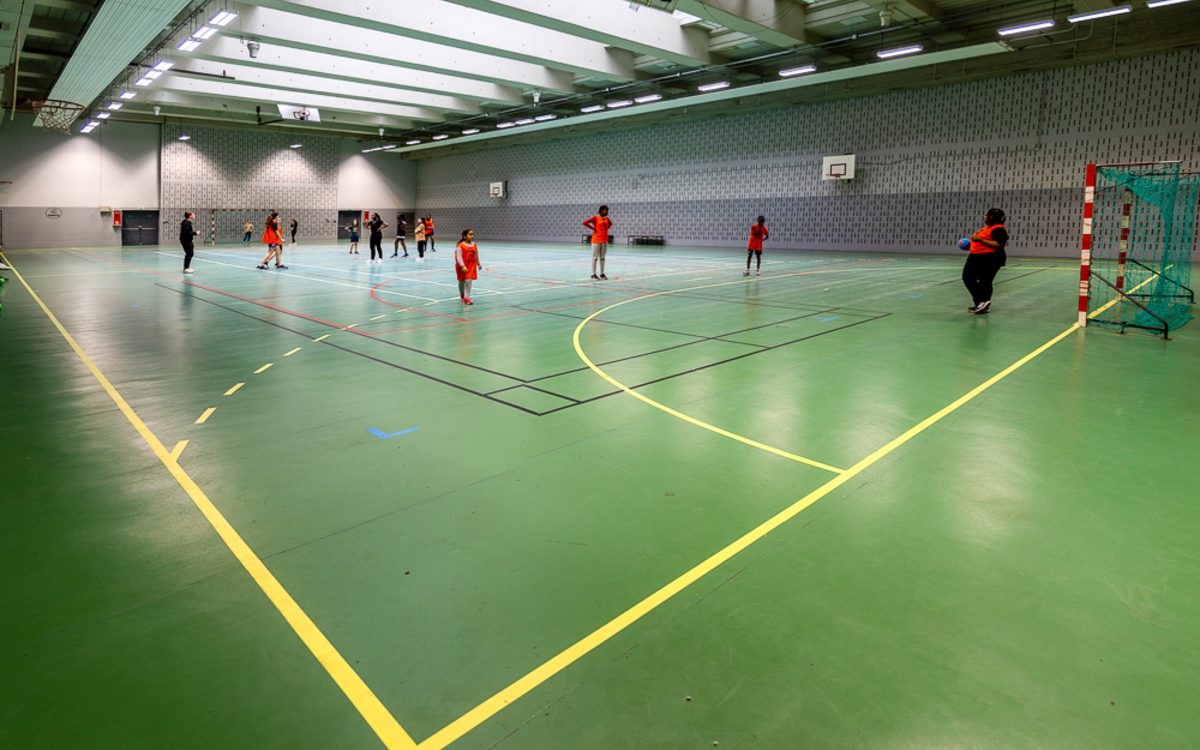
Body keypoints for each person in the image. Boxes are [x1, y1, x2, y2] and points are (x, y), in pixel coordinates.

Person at [961, 208, 1008, 314]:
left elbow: (999, 245)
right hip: (976, 257)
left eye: (986, 215)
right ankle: (980, 303)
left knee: (984, 281)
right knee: (968, 278)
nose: (984, 217)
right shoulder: (987, 228)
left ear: (991, 217)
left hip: (989, 258)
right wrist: (971, 245)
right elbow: (981, 243)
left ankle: (982, 302)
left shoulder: (998, 229)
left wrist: (981, 240)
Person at [583, 205, 612, 280]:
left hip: (605, 240)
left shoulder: (607, 218)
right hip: (596, 240)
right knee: (595, 258)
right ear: (602, 210)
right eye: (606, 210)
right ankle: (593, 274)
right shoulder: (596, 218)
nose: (607, 212)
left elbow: (610, 224)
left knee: (602, 258)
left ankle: (602, 274)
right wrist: (593, 228)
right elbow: (585, 222)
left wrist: (605, 229)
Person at [456, 229, 480, 304]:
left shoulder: (474, 245)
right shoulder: (460, 246)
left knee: (468, 281)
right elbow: (458, 257)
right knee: (461, 282)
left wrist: (478, 264)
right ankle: (462, 295)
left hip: (471, 266)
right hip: (462, 266)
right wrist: (462, 266)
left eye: (472, 234)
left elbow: (476, 255)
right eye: (470, 234)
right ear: (464, 236)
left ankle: (467, 297)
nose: (472, 236)